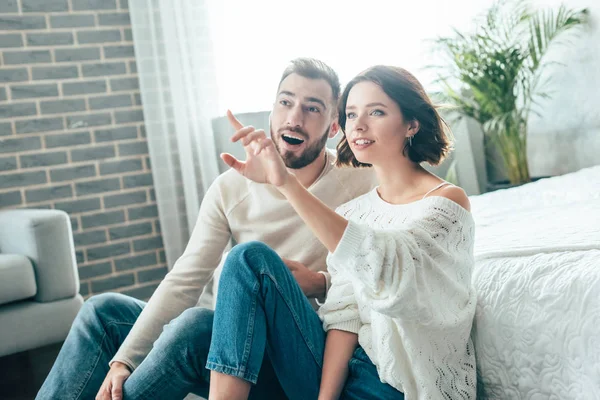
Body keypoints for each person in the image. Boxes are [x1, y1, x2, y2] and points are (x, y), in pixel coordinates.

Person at [36, 58, 376, 400]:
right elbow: (186, 279)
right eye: (285, 102)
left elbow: (379, 272)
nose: (294, 118)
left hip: (296, 349)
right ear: (272, 110)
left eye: (312, 108)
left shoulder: (360, 180)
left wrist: (320, 282)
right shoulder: (231, 187)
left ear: (334, 127)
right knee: (103, 311)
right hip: (231, 337)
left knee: (196, 325)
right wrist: (124, 361)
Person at [207, 65, 477, 400]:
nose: (359, 125)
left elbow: (388, 268)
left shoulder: (446, 203)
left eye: (376, 111)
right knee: (245, 261)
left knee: (246, 262)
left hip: (404, 387)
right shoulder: (355, 212)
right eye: (351, 114)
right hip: (345, 376)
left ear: (412, 124)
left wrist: (286, 184)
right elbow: (343, 317)